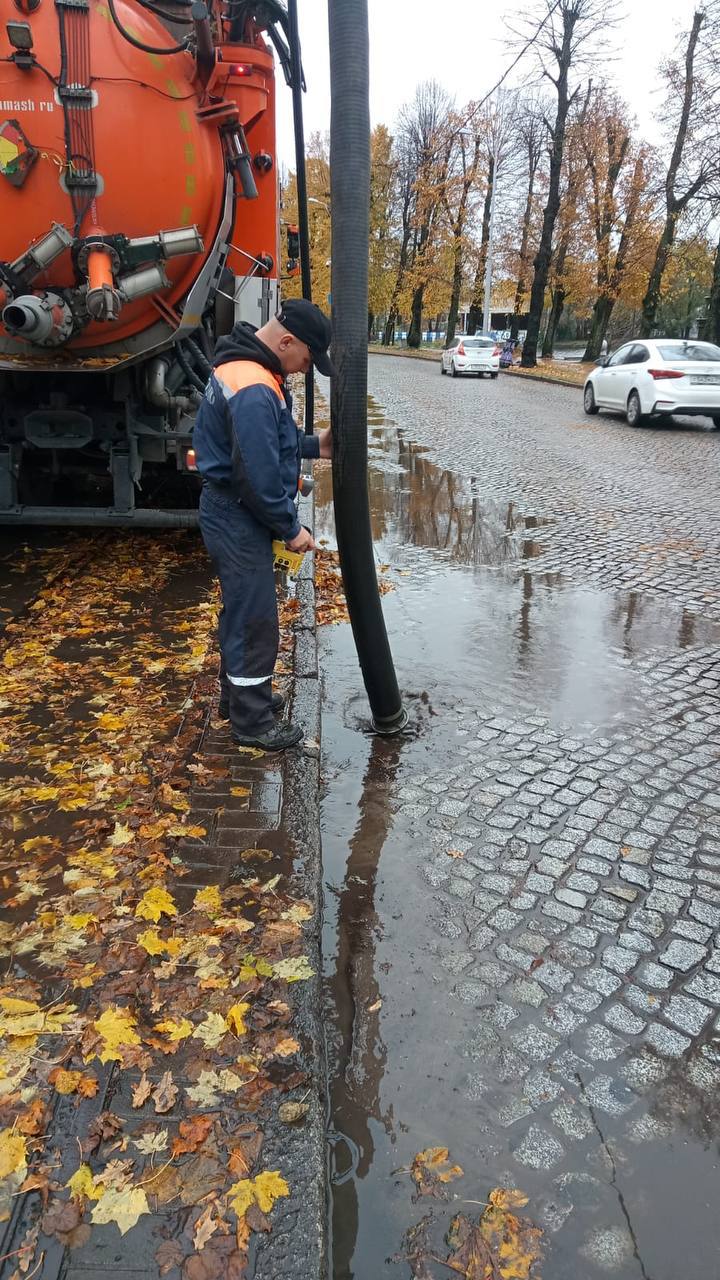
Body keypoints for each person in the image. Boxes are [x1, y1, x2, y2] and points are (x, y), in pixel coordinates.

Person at [192, 298, 333, 751]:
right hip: (238, 515)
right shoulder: (254, 385)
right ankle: (252, 724)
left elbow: (271, 441)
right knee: (255, 620)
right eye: (307, 360)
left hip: (230, 511)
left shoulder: (247, 367)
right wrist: (292, 529)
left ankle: (238, 698)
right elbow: (258, 475)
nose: (304, 370)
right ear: (287, 341)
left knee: (241, 610)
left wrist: (315, 445)